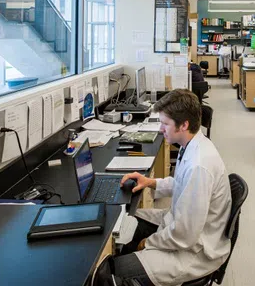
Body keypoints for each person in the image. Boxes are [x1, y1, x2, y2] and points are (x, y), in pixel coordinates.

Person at [94, 89, 232, 286]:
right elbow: (181, 185)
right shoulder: (192, 145)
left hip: (195, 252)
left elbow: (185, 235)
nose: (160, 129)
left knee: (112, 273)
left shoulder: (199, 165)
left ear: (184, 124)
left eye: (165, 124)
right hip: (184, 227)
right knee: (128, 223)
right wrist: (150, 182)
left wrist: (148, 243)